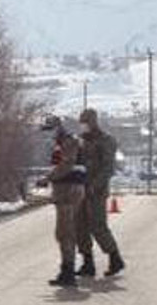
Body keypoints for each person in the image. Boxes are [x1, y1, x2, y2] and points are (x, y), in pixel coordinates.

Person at [37, 114, 87, 287]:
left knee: (65, 233)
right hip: (66, 189)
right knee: (64, 232)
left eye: (49, 130)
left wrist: (48, 178)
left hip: (69, 190)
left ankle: (68, 272)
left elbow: (66, 165)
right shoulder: (64, 143)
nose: (47, 135)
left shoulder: (68, 142)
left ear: (57, 128)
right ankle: (67, 270)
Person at [76, 108, 125, 278]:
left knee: (98, 226)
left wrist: (95, 185)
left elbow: (108, 168)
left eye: (85, 122)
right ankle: (88, 263)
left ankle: (115, 258)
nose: (83, 126)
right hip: (81, 189)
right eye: (82, 123)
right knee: (80, 226)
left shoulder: (106, 140)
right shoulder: (81, 140)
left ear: (93, 122)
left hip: (96, 191)